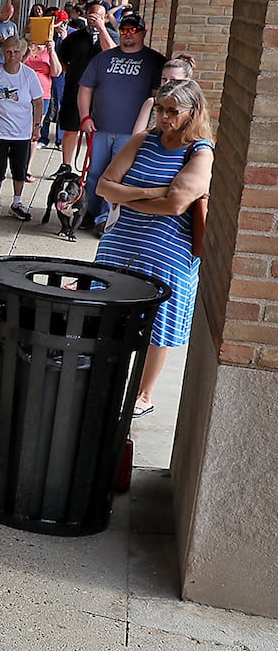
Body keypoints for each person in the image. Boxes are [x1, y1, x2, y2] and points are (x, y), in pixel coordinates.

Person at [94, 78, 214, 418]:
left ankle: (143, 394)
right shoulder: (143, 139)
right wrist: (150, 193)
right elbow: (105, 187)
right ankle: (108, 379)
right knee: (108, 312)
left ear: (193, 112)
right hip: (122, 242)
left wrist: (130, 194)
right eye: (160, 109)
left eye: (173, 111)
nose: (164, 117)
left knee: (158, 325)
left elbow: (177, 205)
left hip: (168, 250)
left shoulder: (199, 151)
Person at [75, 12, 166, 231]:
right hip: (99, 128)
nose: (128, 35)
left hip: (131, 133)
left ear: (143, 33)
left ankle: (106, 219)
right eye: (124, 30)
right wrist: (85, 117)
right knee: (94, 173)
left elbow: (158, 96)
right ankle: (88, 211)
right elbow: (85, 88)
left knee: (117, 176)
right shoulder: (104, 58)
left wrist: (150, 128)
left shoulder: (154, 61)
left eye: (133, 31)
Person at [0, 36, 43, 221]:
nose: (12, 56)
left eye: (16, 52)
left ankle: (17, 202)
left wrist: (37, 126)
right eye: (9, 52)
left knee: (19, 169)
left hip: (21, 132)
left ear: (22, 54)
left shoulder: (28, 75)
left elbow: (38, 101)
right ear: (3, 53)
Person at [55, 2, 116, 159]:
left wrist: (101, 29)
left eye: (98, 17)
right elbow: (63, 62)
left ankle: (93, 166)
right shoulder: (74, 38)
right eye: (91, 17)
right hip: (75, 90)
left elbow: (113, 54)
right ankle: (66, 166)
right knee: (71, 129)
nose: (93, 21)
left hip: (101, 94)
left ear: (106, 18)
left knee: (96, 133)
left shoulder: (112, 36)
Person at [131, 54, 196, 134]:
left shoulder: (191, 106)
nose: (167, 83)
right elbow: (136, 135)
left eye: (173, 80)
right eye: (164, 79)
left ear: (186, 80)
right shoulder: (152, 102)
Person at [23, 38, 63, 158]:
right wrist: (28, 51)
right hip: (23, 92)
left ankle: (27, 166)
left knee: (35, 128)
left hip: (42, 94)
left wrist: (51, 51)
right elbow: (16, 66)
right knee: (22, 127)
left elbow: (56, 72)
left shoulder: (48, 50)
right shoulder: (24, 47)